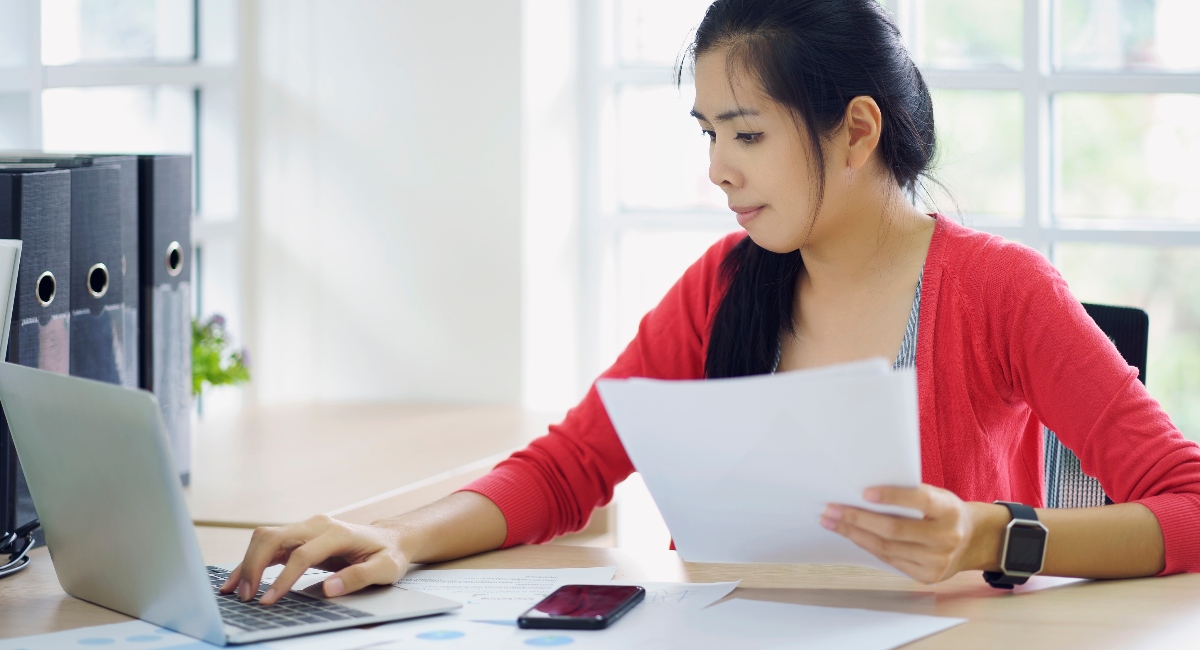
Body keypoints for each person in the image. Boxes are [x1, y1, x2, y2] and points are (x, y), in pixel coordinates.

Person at [223, 0, 1200, 606]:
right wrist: (403, 535)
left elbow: (1190, 504)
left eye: (745, 134)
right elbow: (570, 465)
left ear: (856, 130)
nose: (718, 172)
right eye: (708, 135)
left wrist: (992, 530)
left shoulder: (999, 292)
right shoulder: (726, 284)